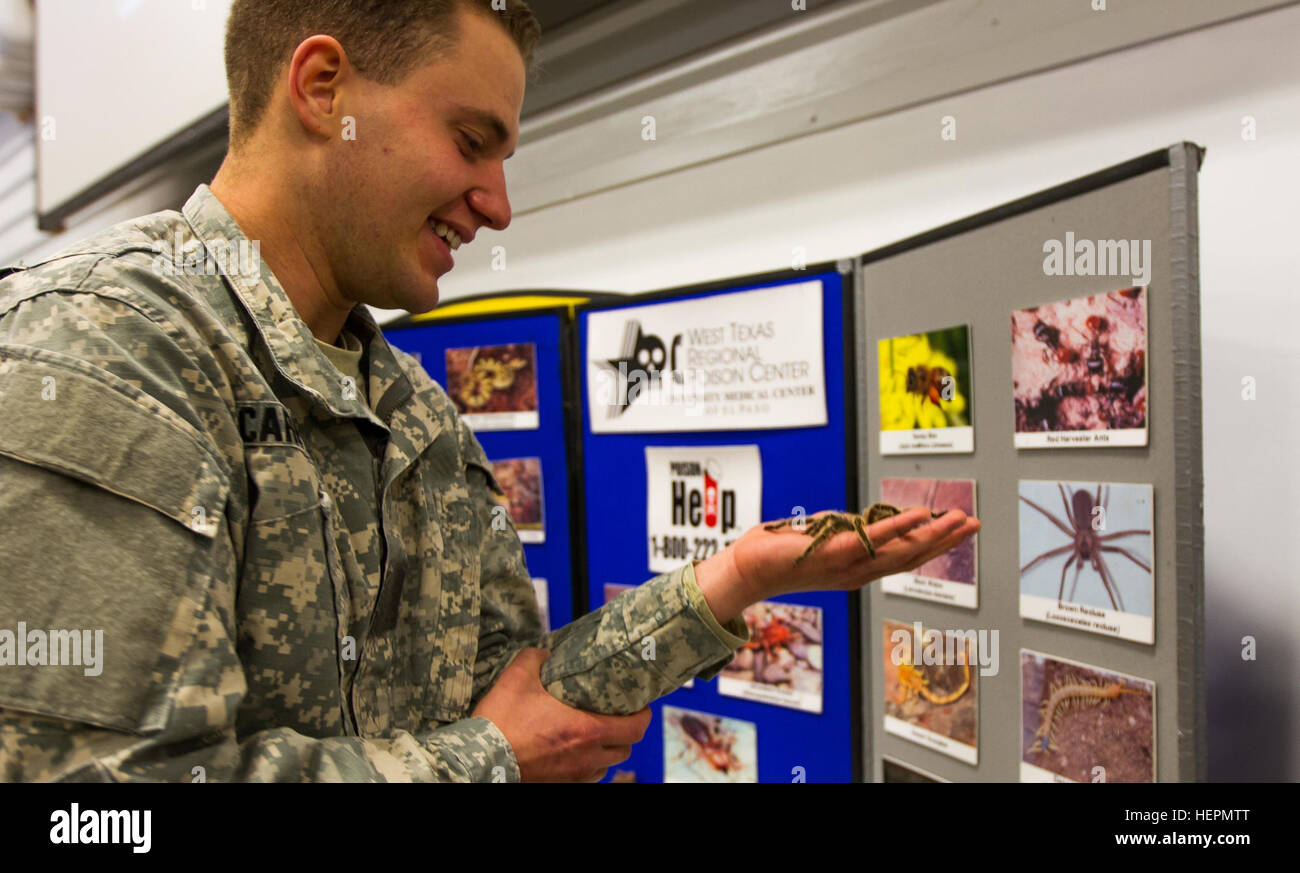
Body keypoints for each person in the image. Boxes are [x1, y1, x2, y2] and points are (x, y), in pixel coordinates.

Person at [0, 0, 980, 783]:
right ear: (320, 86)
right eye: (473, 141)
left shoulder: (410, 409)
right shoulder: (105, 347)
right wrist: (486, 761)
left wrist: (727, 584)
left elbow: (513, 688)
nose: (499, 204)